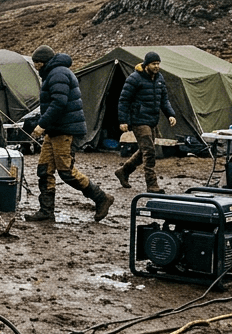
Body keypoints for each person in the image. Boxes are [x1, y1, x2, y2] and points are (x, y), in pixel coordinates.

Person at [25, 45, 113, 223]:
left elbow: (59, 102)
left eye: (37, 63)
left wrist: (42, 124)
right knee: (44, 169)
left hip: (64, 130)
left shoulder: (58, 74)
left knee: (66, 172)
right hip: (54, 130)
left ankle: (101, 197)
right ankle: (46, 211)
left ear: (43, 62)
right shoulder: (53, 73)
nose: (35, 66)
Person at [115, 51, 177, 194]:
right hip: (138, 119)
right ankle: (152, 184)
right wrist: (123, 120)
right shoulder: (134, 78)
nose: (157, 66)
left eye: (158, 64)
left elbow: (164, 99)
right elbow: (124, 100)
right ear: (146, 64)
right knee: (149, 151)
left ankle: (123, 171)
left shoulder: (159, 78)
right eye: (154, 64)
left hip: (152, 119)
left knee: (145, 150)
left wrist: (170, 114)